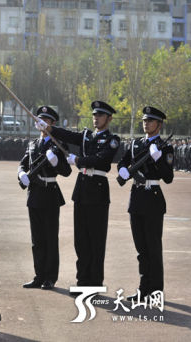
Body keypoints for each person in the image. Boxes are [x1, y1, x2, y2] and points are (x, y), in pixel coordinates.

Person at [36, 100, 120, 290]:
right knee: (81, 240)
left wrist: (79, 160)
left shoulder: (112, 139)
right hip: (82, 191)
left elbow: (102, 159)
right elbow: (67, 135)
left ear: (109, 118)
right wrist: (48, 128)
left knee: (96, 240)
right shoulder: (86, 136)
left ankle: (95, 283)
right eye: (94, 115)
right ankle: (82, 281)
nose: (96, 118)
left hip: (98, 191)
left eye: (100, 115)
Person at [117, 106, 173, 302]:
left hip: (153, 198)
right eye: (144, 120)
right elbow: (122, 162)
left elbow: (168, 177)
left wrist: (158, 159)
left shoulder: (164, 147)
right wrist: (123, 170)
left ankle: (156, 290)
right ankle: (144, 287)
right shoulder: (135, 144)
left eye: (150, 120)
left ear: (159, 124)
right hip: (137, 199)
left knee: (153, 248)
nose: (145, 123)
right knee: (141, 249)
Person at [19, 106, 71, 290]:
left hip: (49, 194)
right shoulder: (33, 144)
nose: (41, 123)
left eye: (46, 120)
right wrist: (21, 175)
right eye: (39, 119)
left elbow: (66, 171)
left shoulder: (58, 144)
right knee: (37, 239)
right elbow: (23, 164)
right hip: (34, 194)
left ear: (53, 124)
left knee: (50, 238)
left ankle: (50, 277)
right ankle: (38, 275)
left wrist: (56, 162)